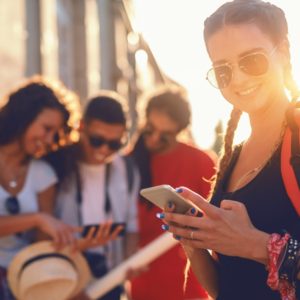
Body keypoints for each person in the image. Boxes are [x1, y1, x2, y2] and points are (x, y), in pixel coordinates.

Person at [157, 1, 300, 299]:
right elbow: (226, 286)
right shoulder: (232, 158)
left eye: (252, 60)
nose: (239, 79)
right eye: (223, 71)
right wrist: (192, 241)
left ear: (284, 52)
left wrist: (256, 245)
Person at [45, 91, 140, 300]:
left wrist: (130, 259)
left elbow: (131, 225)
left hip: (110, 281)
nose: (104, 150)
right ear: (81, 127)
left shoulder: (128, 169)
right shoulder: (55, 164)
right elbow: (40, 234)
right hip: (61, 280)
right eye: (97, 140)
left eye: (115, 144)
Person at [130, 85, 216, 300]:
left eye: (165, 135)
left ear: (180, 130)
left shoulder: (201, 162)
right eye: (150, 129)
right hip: (143, 279)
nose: (154, 139)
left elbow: (215, 219)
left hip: (190, 281)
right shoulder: (128, 162)